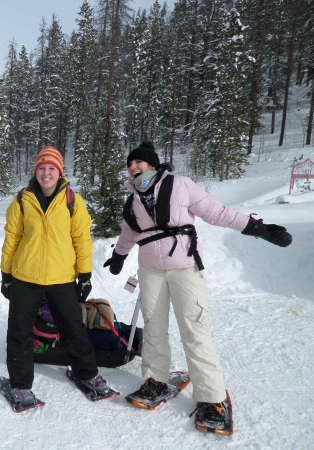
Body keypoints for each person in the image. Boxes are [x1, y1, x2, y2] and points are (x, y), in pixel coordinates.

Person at [103, 141, 292, 431]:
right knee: (153, 326)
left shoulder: (180, 185)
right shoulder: (133, 201)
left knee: (194, 328)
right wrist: (117, 257)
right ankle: (155, 381)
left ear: (153, 165)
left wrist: (259, 229)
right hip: (150, 269)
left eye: (139, 163)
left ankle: (212, 398)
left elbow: (217, 212)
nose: (133, 168)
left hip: (184, 267)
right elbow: (128, 233)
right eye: (130, 166)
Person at [0, 146, 114, 408]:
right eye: (42, 168)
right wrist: (6, 275)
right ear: (35, 171)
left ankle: (86, 373)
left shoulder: (73, 201)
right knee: (19, 332)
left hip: (61, 278)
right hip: (25, 277)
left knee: (73, 328)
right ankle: (20, 386)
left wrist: (84, 275)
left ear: (60, 172)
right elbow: (11, 240)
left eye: (52, 168)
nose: (46, 172)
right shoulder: (21, 200)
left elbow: (82, 240)